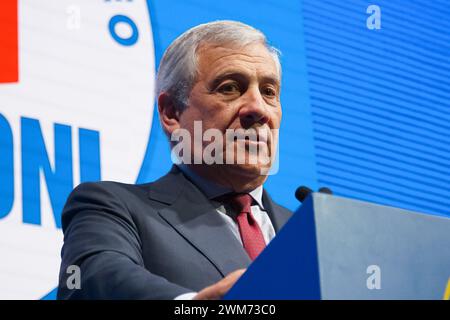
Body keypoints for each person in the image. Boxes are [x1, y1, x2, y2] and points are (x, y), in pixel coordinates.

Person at [57, 20, 292, 300]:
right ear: (171, 112)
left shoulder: (312, 233)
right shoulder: (111, 206)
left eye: (269, 92)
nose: (258, 108)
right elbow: (93, 278)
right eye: (230, 88)